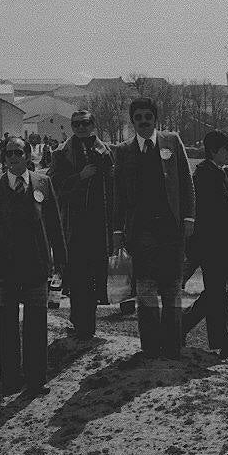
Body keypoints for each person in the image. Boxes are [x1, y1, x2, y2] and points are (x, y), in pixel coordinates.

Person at [0, 136, 67, 397]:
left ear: (28, 155)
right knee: (7, 327)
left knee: (36, 326)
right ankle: (10, 380)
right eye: (8, 153)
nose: (13, 157)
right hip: (4, 270)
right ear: (3, 158)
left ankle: (36, 379)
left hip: (36, 269)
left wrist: (60, 260)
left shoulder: (43, 183)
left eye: (18, 152)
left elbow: (54, 225)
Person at [112, 97, 195, 360]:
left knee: (171, 288)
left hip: (170, 228)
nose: (144, 121)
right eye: (138, 117)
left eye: (148, 116)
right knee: (146, 290)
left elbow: (186, 181)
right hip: (141, 231)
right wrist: (117, 228)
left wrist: (189, 217)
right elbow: (118, 194)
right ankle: (150, 347)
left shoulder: (172, 141)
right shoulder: (124, 151)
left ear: (155, 118)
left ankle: (172, 347)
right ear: (132, 121)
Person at [49, 110, 128, 341]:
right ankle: (80, 324)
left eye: (85, 123)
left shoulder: (108, 152)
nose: (81, 128)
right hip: (74, 224)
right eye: (76, 124)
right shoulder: (61, 154)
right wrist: (79, 177)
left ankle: (87, 325)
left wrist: (117, 227)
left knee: (95, 276)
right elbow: (53, 187)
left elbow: (118, 189)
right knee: (77, 275)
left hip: (100, 224)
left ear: (93, 124)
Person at [182, 130, 228, 359]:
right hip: (210, 245)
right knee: (219, 293)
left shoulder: (226, 174)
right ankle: (226, 344)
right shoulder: (202, 176)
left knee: (216, 293)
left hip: (226, 245)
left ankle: (180, 327)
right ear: (214, 151)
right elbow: (205, 215)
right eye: (227, 149)